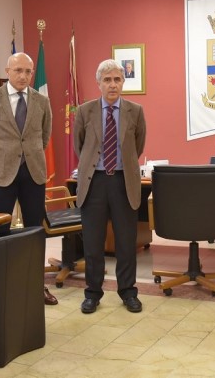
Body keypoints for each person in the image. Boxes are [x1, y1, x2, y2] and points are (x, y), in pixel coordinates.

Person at [0, 52, 57, 306]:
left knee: (35, 230)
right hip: (1, 173)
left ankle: (36, 284)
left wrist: (28, 154)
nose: (23, 76)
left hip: (33, 172)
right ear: (7, 71)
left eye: (28, 71)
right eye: (18, 70)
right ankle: (1, 286)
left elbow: (45, 135)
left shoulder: (42, 101)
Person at [74, 59, 146, 314]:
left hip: (123, 181)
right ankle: (93, 293)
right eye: (107, 80)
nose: (112, 84)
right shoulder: (85, 111)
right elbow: (80, 146)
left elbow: (138, 145)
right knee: (93, 243)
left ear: (123, 82)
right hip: (94, 182)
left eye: (117, 79)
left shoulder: (135, 111)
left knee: (126, 242)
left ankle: (128, 292)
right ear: (99, 84)